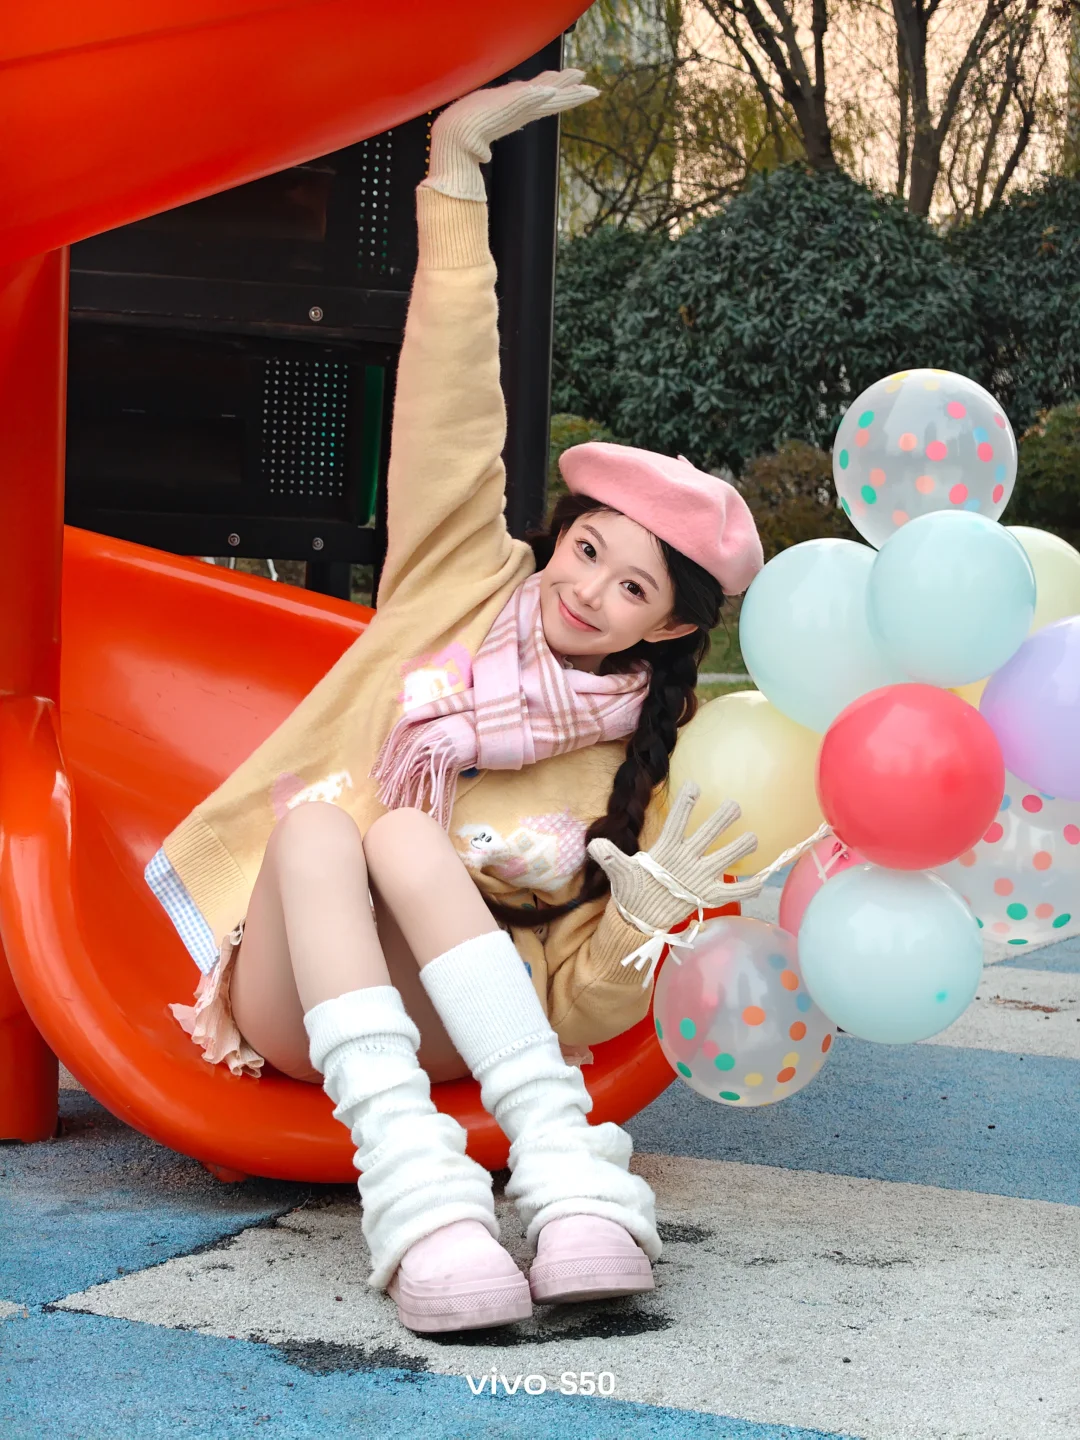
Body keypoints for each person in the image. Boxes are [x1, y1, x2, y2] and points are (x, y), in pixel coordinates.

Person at [145, 69, 767, 1336]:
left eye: (633, 587)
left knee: (404, 840)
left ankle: (563, 1178)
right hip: (302, 993)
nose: (587, 590)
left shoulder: (657, 756)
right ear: (559, 535)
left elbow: (578, 1004)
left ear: (671, 626)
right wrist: (454, 174)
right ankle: (421, 1194)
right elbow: (450, 400)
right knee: (336, 827)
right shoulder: (461, 587)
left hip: (478, 1025)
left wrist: (643, 927)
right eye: (586, 549)